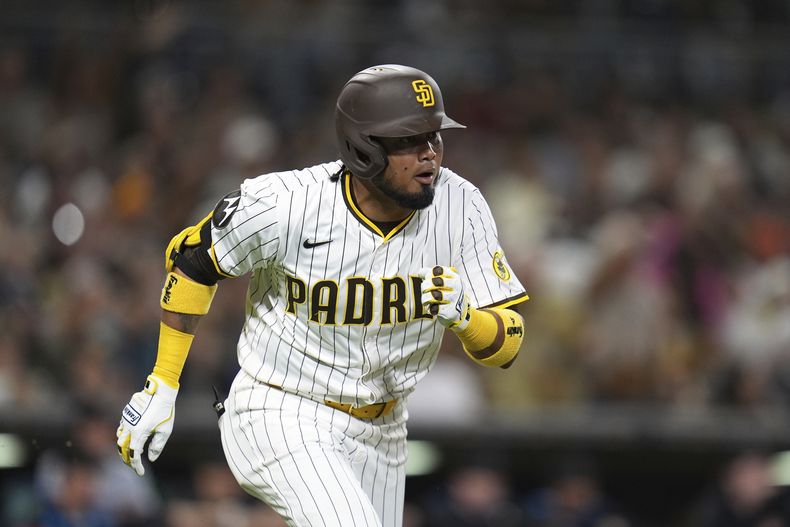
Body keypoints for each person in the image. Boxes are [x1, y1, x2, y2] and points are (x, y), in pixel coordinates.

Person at [115, 64, 529, 527]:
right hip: (282, 407)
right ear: (365, 148)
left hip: (385, 429)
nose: (430, 154)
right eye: (409, 142)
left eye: (434, 137)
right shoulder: (288, 204)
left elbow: (509, 341)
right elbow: (192, 261)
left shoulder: (462, 205)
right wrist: (163, 382)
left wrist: (466, 318)